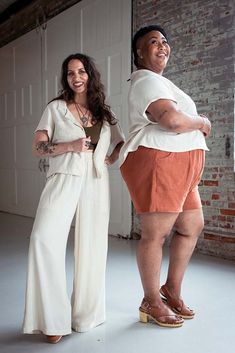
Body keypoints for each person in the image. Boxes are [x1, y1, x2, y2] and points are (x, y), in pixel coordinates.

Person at [22, 53, 125, 343]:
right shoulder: (56, 108)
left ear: (90, 75)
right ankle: (52, 320)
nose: (76, 77)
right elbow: (38, 147)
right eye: (70, 73)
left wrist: (109, 158)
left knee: (92, 248)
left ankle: (85, 315)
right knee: (43, 239)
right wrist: (71, 145)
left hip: (95, 182)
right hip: (64, 178)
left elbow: (120, 141)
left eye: (81, 71)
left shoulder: (103, 113)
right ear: (65, 78)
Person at [119, 25, 211, 328]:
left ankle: (170, 290)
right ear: (139, 53)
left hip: (181, 166)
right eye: (153, 42)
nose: (162, 46)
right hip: (160, 162)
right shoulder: (145, 80)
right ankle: (151, 300)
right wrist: (202, 122)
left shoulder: (161, 82)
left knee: (191, 225)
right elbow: (171, 120)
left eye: (165, 42)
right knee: (156, 234)